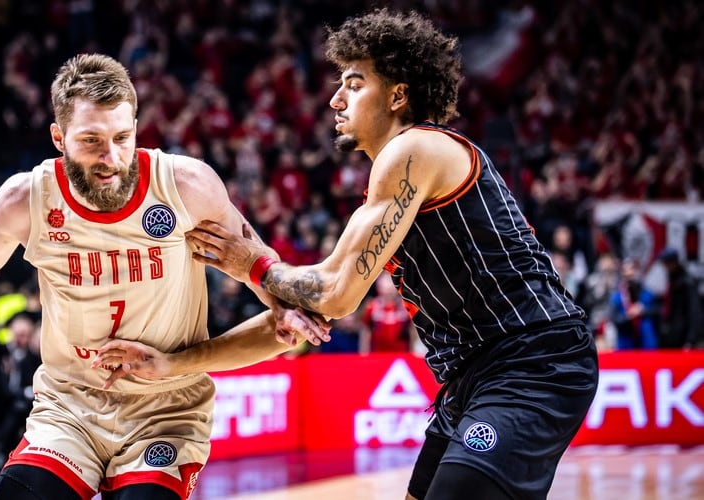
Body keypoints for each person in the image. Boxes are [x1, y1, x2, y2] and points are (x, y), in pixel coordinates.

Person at [0, 53, 323, 500]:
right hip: (70, 406)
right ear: (59, 138)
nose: (110, 157)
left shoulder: (186, 186)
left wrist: (285, 308)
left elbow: (252, 255)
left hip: (165, 408)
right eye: (91, 140)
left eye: (121, 138)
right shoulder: (25, 198)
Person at [181, 9, 598, 500]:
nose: (335, 99)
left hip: (532, 360)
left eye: (354, 85)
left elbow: (335, 295)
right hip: (474, 373)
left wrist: (252, 263)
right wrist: (188, 353)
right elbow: (319, 295)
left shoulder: (413, 150)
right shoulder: (390, 183)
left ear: (398, 94)